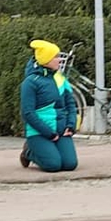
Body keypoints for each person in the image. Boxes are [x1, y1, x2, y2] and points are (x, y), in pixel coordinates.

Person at [19, 39, 78, 172]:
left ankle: (49, 149)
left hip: (61, 129)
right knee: (53, 165)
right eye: (56, 57)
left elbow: (70, 104)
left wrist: (71, 125)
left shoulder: (60, 78)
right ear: (46, 60)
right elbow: (27, 113)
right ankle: (28, 151)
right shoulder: (30, 82)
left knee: (70, 164)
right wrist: (48, 133)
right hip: (39, 132)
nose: (60, 60)